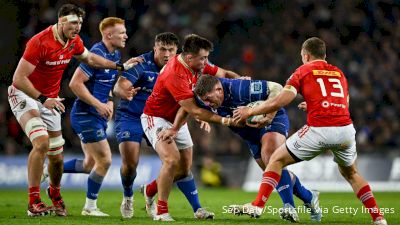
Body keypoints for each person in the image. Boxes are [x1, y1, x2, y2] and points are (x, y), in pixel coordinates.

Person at [231, 37, 388, 225]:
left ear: (305, 55)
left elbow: (282, 99)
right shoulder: (338, 73)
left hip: (320, 130)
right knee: (352, 174)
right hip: (345, 130)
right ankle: (378, 218)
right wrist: (315, 105)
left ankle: (257, 205)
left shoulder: (303, 70)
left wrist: (252, 110)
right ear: (324, 55)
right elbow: (343, 104)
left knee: (275, 160)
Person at [8, 4, 136, 217]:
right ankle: (34, 201)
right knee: (41, 142)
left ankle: (55, 195)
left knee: (57, 157)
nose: (77, 27)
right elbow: (18, 79)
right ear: (60, 21)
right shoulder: (39, 42)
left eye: (79, 23)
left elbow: (91, 59)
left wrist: (118, 67)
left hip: (50, 99)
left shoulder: (74, 42)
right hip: (26, 94)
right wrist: (42, 98)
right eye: (73, 22)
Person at [140, 34, 243, 221]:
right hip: (157, 118)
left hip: (179, 119)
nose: (206, 61)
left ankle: (153, 191)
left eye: (206, 57)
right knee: (171, 161)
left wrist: (242, 82)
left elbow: (224, 74)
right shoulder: (175, 73)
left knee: (184, 170)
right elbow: (194, 109)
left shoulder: (197, 64)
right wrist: (225, 120)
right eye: (203, 58)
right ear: (189, 58)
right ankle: (162, 211)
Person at [194, 75, 322, 222]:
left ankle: (288, 207)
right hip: (249, 133)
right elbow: (190, 106)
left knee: (271, 157)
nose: (207, 103)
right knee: (274, 171)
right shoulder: (203, 96)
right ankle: (309, 197)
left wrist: (268, 116)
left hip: (272, 120)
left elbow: (277, 89)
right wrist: (200, 116)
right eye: (204, 100)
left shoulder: (239, 88)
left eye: (209, 99)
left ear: (218, 89)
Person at [112, 32, 179, 218]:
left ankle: (151, 192)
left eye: (171, 50)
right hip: (131, 116)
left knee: (174, 161)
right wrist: (124, 92)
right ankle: (128, 196)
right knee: (130, 163)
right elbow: (120, 85)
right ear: (155, 49)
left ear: (176, 52)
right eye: (163, 49)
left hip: (158, 118)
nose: (166, 54)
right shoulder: (141, 63)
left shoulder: (178, 67)